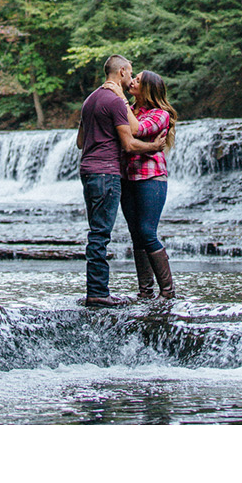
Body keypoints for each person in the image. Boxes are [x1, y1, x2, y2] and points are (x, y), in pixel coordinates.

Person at [74, 55, 166, 308]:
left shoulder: (90, 99)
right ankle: (98, 292)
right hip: (106, 172)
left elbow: (80, 142)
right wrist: (154, 146)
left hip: (88, 170)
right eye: (131, 73)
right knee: (101, 234)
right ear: (122, 71)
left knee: (98, 231)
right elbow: (129, 142)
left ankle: (106, 290)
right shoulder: (117, 101)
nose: (131, 78)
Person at [122, 69, 179, 301]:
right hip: (127, 178)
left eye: (138, 80)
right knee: (136, 235)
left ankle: (167, 291)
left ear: (148, 89)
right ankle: (145, 292)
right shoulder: (131, 110)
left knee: (147, 231)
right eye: (133, 78)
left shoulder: (159, 114)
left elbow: (137, 130)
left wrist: (120, 102)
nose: (132, 81)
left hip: (151, 178)